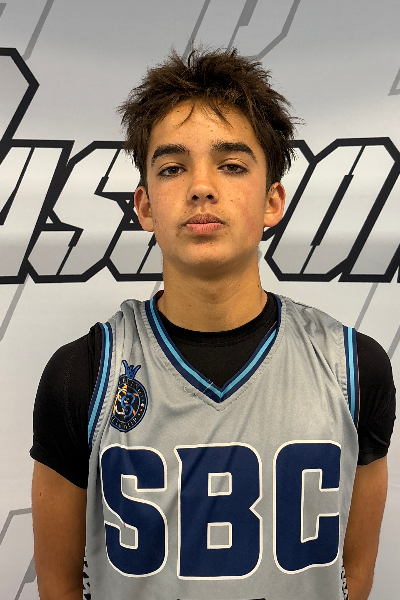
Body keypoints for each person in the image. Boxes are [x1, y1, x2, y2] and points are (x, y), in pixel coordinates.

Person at [31, 48, 396, 600]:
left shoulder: (354, 367)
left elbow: (354, 573)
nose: (201, 186)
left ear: (273, 200)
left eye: (231, 165)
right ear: (145, 206)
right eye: (172, 168)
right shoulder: (82, 374)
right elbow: (59, 586)